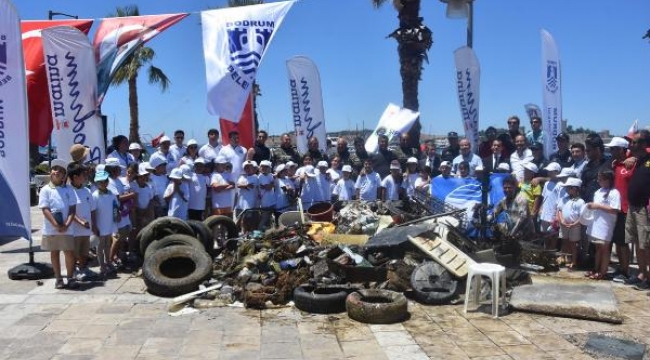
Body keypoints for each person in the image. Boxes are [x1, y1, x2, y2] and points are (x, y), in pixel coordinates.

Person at [39, 159, 79, 289]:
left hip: (67, 228)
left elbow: (73, 209)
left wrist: (67, 224)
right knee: (54, 252)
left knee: (69, 252)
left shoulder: (69, 189)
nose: (56, 172)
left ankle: (70, 277)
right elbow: (45, 209)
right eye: (54, 169)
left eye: (60, 170)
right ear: (51, 172)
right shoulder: (45, 189)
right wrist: (56, 224)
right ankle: (58, 278)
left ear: (64, 175)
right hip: (51, 229)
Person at [624, 135, 650, 289]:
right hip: (633, 207)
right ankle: (642, 274)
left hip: (644, 208)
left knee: (646, 244)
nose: (630, 145)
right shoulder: (638, 160)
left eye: (634, 142)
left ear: (644, 144)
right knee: (638, 243)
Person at [585, 170, 620, 280]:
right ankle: (596, 268)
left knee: (605, 249)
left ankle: (603, 271)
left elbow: (614, 209)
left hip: (606, 224)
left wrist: (598, 206)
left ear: (608, 180)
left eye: (601, 179)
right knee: (598, 248)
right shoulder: (598, 191)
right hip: (596, 224)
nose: (598, 181)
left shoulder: (614, 192)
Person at [607, 137, 633, 282]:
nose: (611, 151)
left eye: (613, 149)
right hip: (614, 209)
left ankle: (626, 270)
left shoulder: (632, 164)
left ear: (622, 149)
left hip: (625, 209)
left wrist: (632, 157)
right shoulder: (615, 164)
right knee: (618, 241)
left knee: (623, 242)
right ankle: (622, 268)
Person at [68, 163, 97, 282]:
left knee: (84, 251)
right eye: (83, 175)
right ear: (75, 177)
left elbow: (93, 209)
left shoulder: (87, 190)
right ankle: (74, 271)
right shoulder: (68, 191)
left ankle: (83, 268)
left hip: (86, 229)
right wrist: (80, 221)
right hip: (74, 230)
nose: (86, 177)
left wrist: (94, 225)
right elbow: (69, 212)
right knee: (74, 252)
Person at [106, 158, 135, 268]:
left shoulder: (118, 180)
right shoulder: (109, 181)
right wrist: (131, 195)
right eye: (118, 169)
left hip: (124, 214)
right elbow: (117, 198)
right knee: (116, 238)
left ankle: (116, 258)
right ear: (113, 170)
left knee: (121, 237)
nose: (120, 171)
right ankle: (110, 260)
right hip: (115, 214)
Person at [91, 169, 119, 279]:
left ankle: (108, 261)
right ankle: (101, 265)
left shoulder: (111, 193)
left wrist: (117, 216)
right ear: (97, 183)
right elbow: (92, 212)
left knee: (108, 244)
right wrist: (94, 226)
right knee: (100, 245)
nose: (103, 183)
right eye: (100, 182)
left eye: (105, 181)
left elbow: (115, 206)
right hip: (100, 224)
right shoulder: (94, 195)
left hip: (109, 222)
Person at [557, 177, 585, 270]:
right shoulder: (564, 199)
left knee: (573, 244)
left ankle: (574, 261)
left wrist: (575, 224)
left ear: (575, 188)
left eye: (568, 187)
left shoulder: (581, 202)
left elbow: (582, 215)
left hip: (575, 226)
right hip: (564, 224)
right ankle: (562, 257)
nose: (566, 189)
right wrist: (561, 220)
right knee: (564, 241)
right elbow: (560, 210)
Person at [538, 163, 567, 250]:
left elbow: (560, 201)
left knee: (553, 236)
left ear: (557, 172)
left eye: (551, 171)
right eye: (548, 171)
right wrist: (540, 208)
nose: (549, 173)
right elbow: (544, 197)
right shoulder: (547, 183)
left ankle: (551, 252)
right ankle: (545, 250)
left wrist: (556, 216)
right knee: (545, 235)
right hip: (544, 213)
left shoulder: (561, 185)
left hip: (553, 214)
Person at [131, 163, 155, 250]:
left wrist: (147, 214)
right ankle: (135, 249)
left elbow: (151, 201)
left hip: (146, 213)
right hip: (136, 214)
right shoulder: (133, 185)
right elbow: (134, 201)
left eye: (146, 175)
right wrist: (139, 213)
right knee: (136, 232)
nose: (144, 178)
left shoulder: (149, 186)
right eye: (142, 176)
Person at [581, 136, 611, 203]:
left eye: (588, 150)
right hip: (587, 204)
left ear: (597, 149)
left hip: (603, 205)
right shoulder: (587, 166)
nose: (586, 153)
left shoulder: (610, 163)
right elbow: (583, 185)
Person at [237, 160, 260, 233]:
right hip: (241, 203)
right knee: (242, 220)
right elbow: (238, 185)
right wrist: (246, 186)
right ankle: (244, 233)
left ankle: (249, 234)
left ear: (254, 169)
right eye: (246, 167)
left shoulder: (256, 177)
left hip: (251, 203)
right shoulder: (242, 177)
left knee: (250, 220)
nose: (248, 169)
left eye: (250, 167)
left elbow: (253, 186)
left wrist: (244, 186)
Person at [519, 162, 542, 230]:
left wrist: (533, 212)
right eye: (524, 170)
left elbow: (537, 198)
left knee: (528, 230)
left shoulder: (536, 185)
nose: (524, 172)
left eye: (526, 171)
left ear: (532, 173)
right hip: (520, 209)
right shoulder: (522, 182)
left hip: (529, 211)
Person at [258, 160, 276, 229]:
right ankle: (260, 231)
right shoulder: (260, 176)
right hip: (264, 203)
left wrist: (271, 184)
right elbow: (268, 187)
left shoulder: (271, 175)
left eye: (266, 167)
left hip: (271, 201)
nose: (264, 168)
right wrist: (271, 184)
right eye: (262, 167)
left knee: (270, 220)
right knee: (264, 219)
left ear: (269, 168)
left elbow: (272, 185)